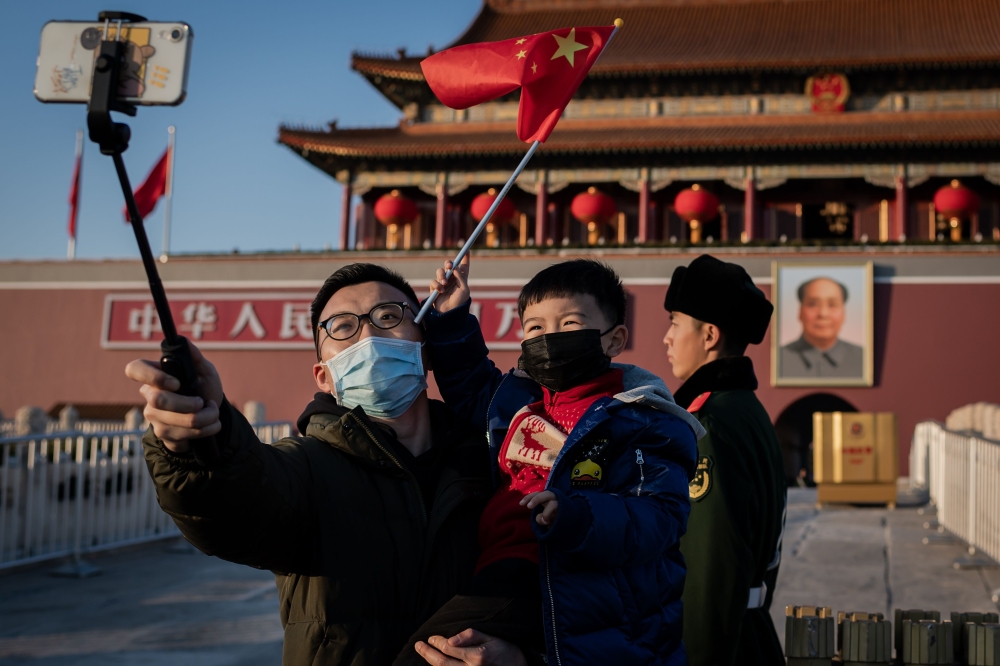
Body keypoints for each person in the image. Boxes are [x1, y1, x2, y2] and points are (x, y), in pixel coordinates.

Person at [126, 263, 528, 666]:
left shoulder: (497, 464)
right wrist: (199, 443)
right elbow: (236, 500)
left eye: (389, 317)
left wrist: (526, 657)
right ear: (324, 376)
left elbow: (565, 588)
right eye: (342, 327)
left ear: (424, 353)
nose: (369, 336)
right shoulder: (306, 468)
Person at [404, 256, 704, 666]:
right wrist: (452, 315)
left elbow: (659, 516)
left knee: (422, 654)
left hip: (555, 578)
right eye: (535, 328)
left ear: (614, 340)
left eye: (570, 324)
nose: (550, 337)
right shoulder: (516, 403)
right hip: (493, 568)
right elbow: (468, 381)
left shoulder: (643, 420)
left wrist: (577, 515)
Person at [661, 254, 786, 666]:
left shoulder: (707, 424)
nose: (667, 337)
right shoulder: (746, 411)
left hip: (715, 645)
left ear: (709, 334)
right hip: (749, 634)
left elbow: (708, 569)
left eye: (675, 323)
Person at [780, 276, 863, 378]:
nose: (823, 314)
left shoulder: (864, 359)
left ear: (844, 313)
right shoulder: (778, 359)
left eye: (832, 305)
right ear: (800, 312)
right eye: (812, 304)